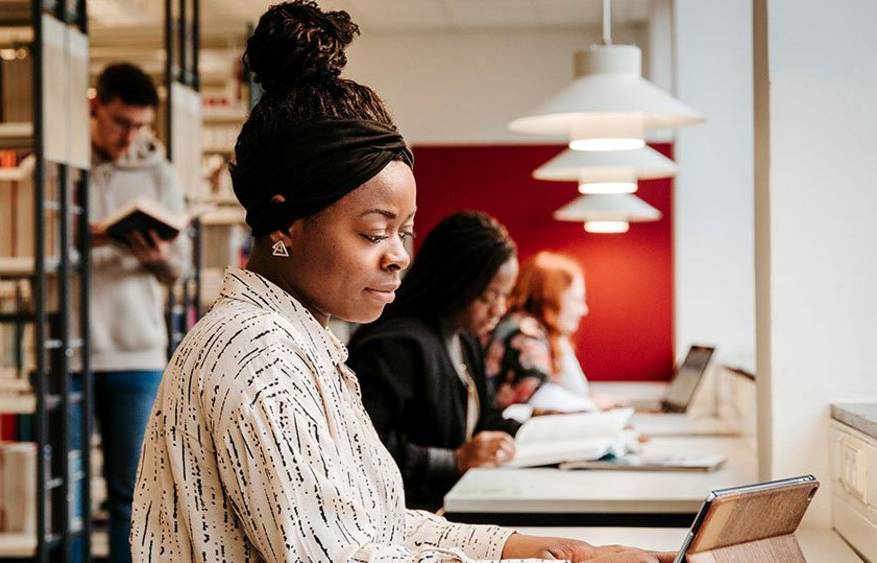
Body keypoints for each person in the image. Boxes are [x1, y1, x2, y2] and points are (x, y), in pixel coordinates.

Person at [130, 2, 671, 562]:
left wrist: (555, 549)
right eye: (374, 233)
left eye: (405, 232)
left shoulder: (302, 346)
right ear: (285, 222)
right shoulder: (260, 355)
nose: (399, 257)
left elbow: (380, 526)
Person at [76, 62, 190, 563]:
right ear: (96, 106)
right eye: (121, 122)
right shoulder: (55, 164)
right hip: (67, 351)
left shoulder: (160, 173)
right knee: (65, 495)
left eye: (140, 126)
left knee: (133, 493)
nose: (129, 137)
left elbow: (178, 268)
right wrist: (90, 237)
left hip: (138, 354)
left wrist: (156, 257)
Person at [347, 211, 523, 512]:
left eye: (504, 296)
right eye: (488, 297)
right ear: (456, 283)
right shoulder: (395, 345)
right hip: (407, 514)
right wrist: (454, 460)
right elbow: (363, 448)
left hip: (454, 504)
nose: (499, 310)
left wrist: (546, 429)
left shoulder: (464, 339)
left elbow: (484, 419)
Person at [485, 251, 597, 419]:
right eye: (577, 300)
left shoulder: (523, 329)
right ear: (552, 299)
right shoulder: (527, 338)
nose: (584, 310)